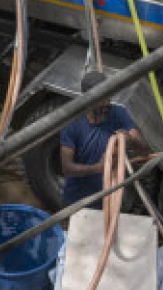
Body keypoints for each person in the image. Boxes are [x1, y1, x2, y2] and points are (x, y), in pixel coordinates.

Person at [60, 71, 146, 210]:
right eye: (101, 99)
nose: (107, 103)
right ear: (88, 100)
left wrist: (130, 139)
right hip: (78, 203)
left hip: (110, 201)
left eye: (108, 97)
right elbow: (67, 168)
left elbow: (144, 149)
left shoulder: (119, 114)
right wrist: (98, 168)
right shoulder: (72, 124)